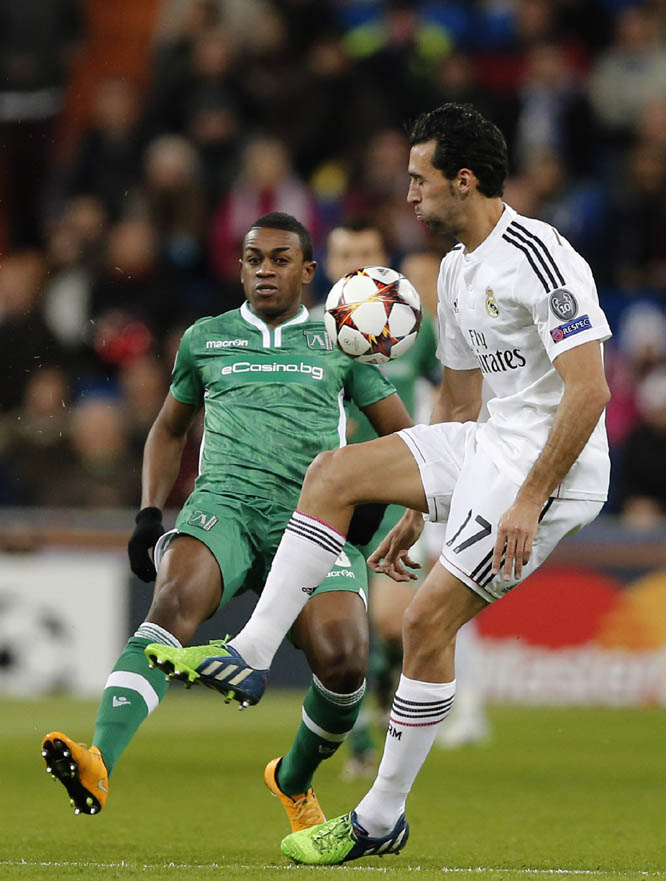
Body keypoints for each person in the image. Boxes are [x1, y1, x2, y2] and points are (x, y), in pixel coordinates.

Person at [163, 103, 612, 863]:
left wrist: (531, 498)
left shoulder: (540, 256)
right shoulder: (460, 270)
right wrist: (417, 499)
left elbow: (590, 391)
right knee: (335, 471)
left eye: (419, 178)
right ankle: (252, 647)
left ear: (461, 180)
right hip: (490, 442)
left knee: (425, 624)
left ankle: (379, 814)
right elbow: (463, 405)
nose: (408, 194)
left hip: (555, 469)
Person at [41, 212, 413, 832]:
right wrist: (147, 514)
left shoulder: (339, 340)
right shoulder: (205, 338)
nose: (265, 270)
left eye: (280, 259)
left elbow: (405, 438)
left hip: (315, 515)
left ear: (309, 270)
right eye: (253, 259)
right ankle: (99, 757)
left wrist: (371, 493)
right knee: (173, 601)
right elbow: (167, 428)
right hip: (226, 507)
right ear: (239, 267)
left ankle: (291, 780)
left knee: (346, 659)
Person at [323, 220, 441, 780]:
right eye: (344, 252)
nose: (354, 261)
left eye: (365, 252)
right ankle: (363, 743)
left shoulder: (414, 326)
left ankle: (388, 705)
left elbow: (454, 392)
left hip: (395, 484)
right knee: (355, 622)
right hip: (334, 487)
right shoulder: (308, 332)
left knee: (393, 623)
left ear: (382, 260)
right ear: (326, 262)